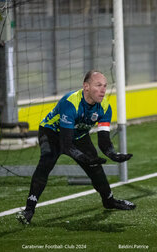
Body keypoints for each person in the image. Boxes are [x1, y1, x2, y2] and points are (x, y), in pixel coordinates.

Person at [16, 70, 135, 225]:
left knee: (95, 167)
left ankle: (109, 201)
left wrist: (113, 154)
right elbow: (66, 144)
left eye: (105, 86)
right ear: (86, 87)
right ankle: (29, 209)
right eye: (98, 85)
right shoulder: (70, 103)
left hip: (78, 135)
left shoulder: (105, 107)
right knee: (46, 163)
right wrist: (83, 157)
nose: (103, 90)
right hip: (51, 132)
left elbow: (103, 141)